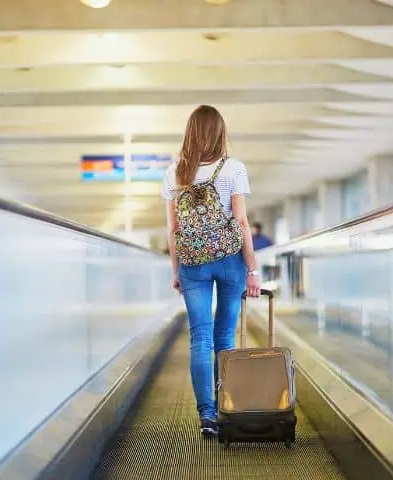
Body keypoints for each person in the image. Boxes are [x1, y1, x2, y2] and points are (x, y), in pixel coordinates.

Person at [162, 105, 262, 436]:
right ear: (220, 132)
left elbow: (173, 228)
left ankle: (207, 416)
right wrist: (252, 268)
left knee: (200, 338)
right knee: (224, 335)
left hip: (192, 263)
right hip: (231, 259)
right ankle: (229, 405)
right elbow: (242, 221)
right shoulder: (233, 168)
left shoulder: (174, 172)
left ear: (189, 133)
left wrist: (176, 269)